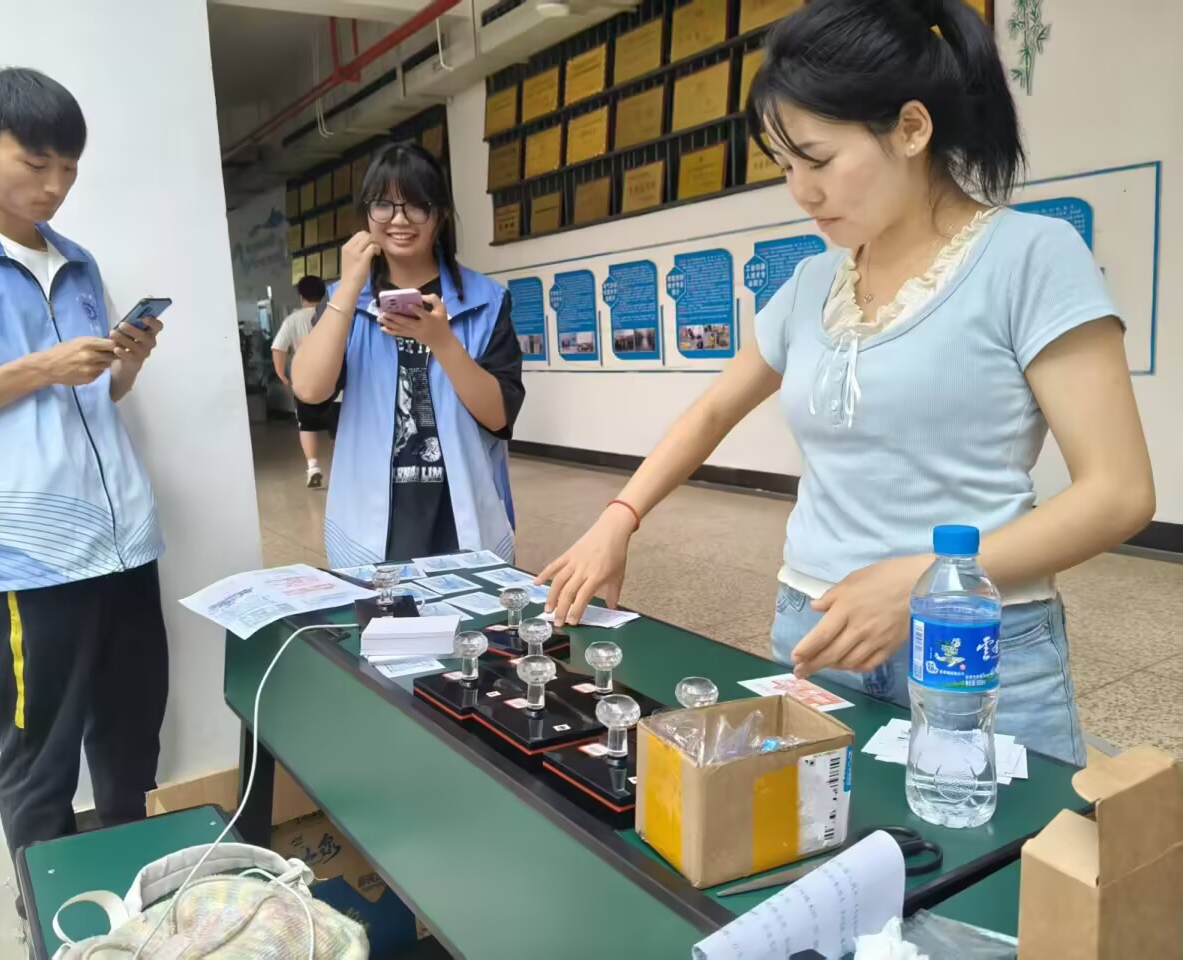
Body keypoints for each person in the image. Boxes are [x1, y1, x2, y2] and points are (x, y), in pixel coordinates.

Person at [538, 0, 1154, 767]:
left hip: (969, 639)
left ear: (912, 128)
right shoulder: (811, 285)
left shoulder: (1031, 256)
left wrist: (927, 583)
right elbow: (713, 410)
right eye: (785, 166)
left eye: (818, 160)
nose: (801, 191)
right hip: (817, 627)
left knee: (999, 837)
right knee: (818, 829)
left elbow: (1120, 492)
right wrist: (619, 518)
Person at [0, 68, 169, 860]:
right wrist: (39, 368)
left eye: (70, 168)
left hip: (127, 541)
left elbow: (96, 398)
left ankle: (136, 895)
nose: (56, 186)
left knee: (131, 737)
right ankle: (47, 915)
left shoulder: (77, 261)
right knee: (40, 760)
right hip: (32, 554)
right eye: (37, 163)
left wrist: (126, 363)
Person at [292, 143, 524, 566]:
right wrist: (350, 286)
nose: (399, 220)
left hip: (464, 521)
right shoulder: (345, 300)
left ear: (440, 215)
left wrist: (443, 342)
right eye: (383, 205)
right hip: (369, 528)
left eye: (416, 205)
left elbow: (499, 416)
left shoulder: (486, 301)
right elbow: (309, 389)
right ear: (366, 214)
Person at [272, 274, 338, 487]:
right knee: (339, 427)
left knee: (307, 426)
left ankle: (313, 466)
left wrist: (281, 373)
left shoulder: (293, 320)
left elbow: (279, 348)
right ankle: (341, 469)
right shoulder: (334, 314)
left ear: (301, 297)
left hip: (305, 383)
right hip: (337, 381)